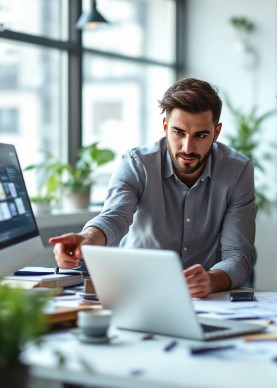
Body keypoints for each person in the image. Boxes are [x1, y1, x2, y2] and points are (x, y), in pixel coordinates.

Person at [50, 78, 256, 298]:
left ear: (216, 133)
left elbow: (239, 255)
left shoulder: (237, 171)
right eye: (179, 132)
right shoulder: (137, 164)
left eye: (201, 135)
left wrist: (211, 280)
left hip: (201, 300)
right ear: (166, 127)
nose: (188, 147)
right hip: (134, 291)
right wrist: (87, 239)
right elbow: (113, 218)